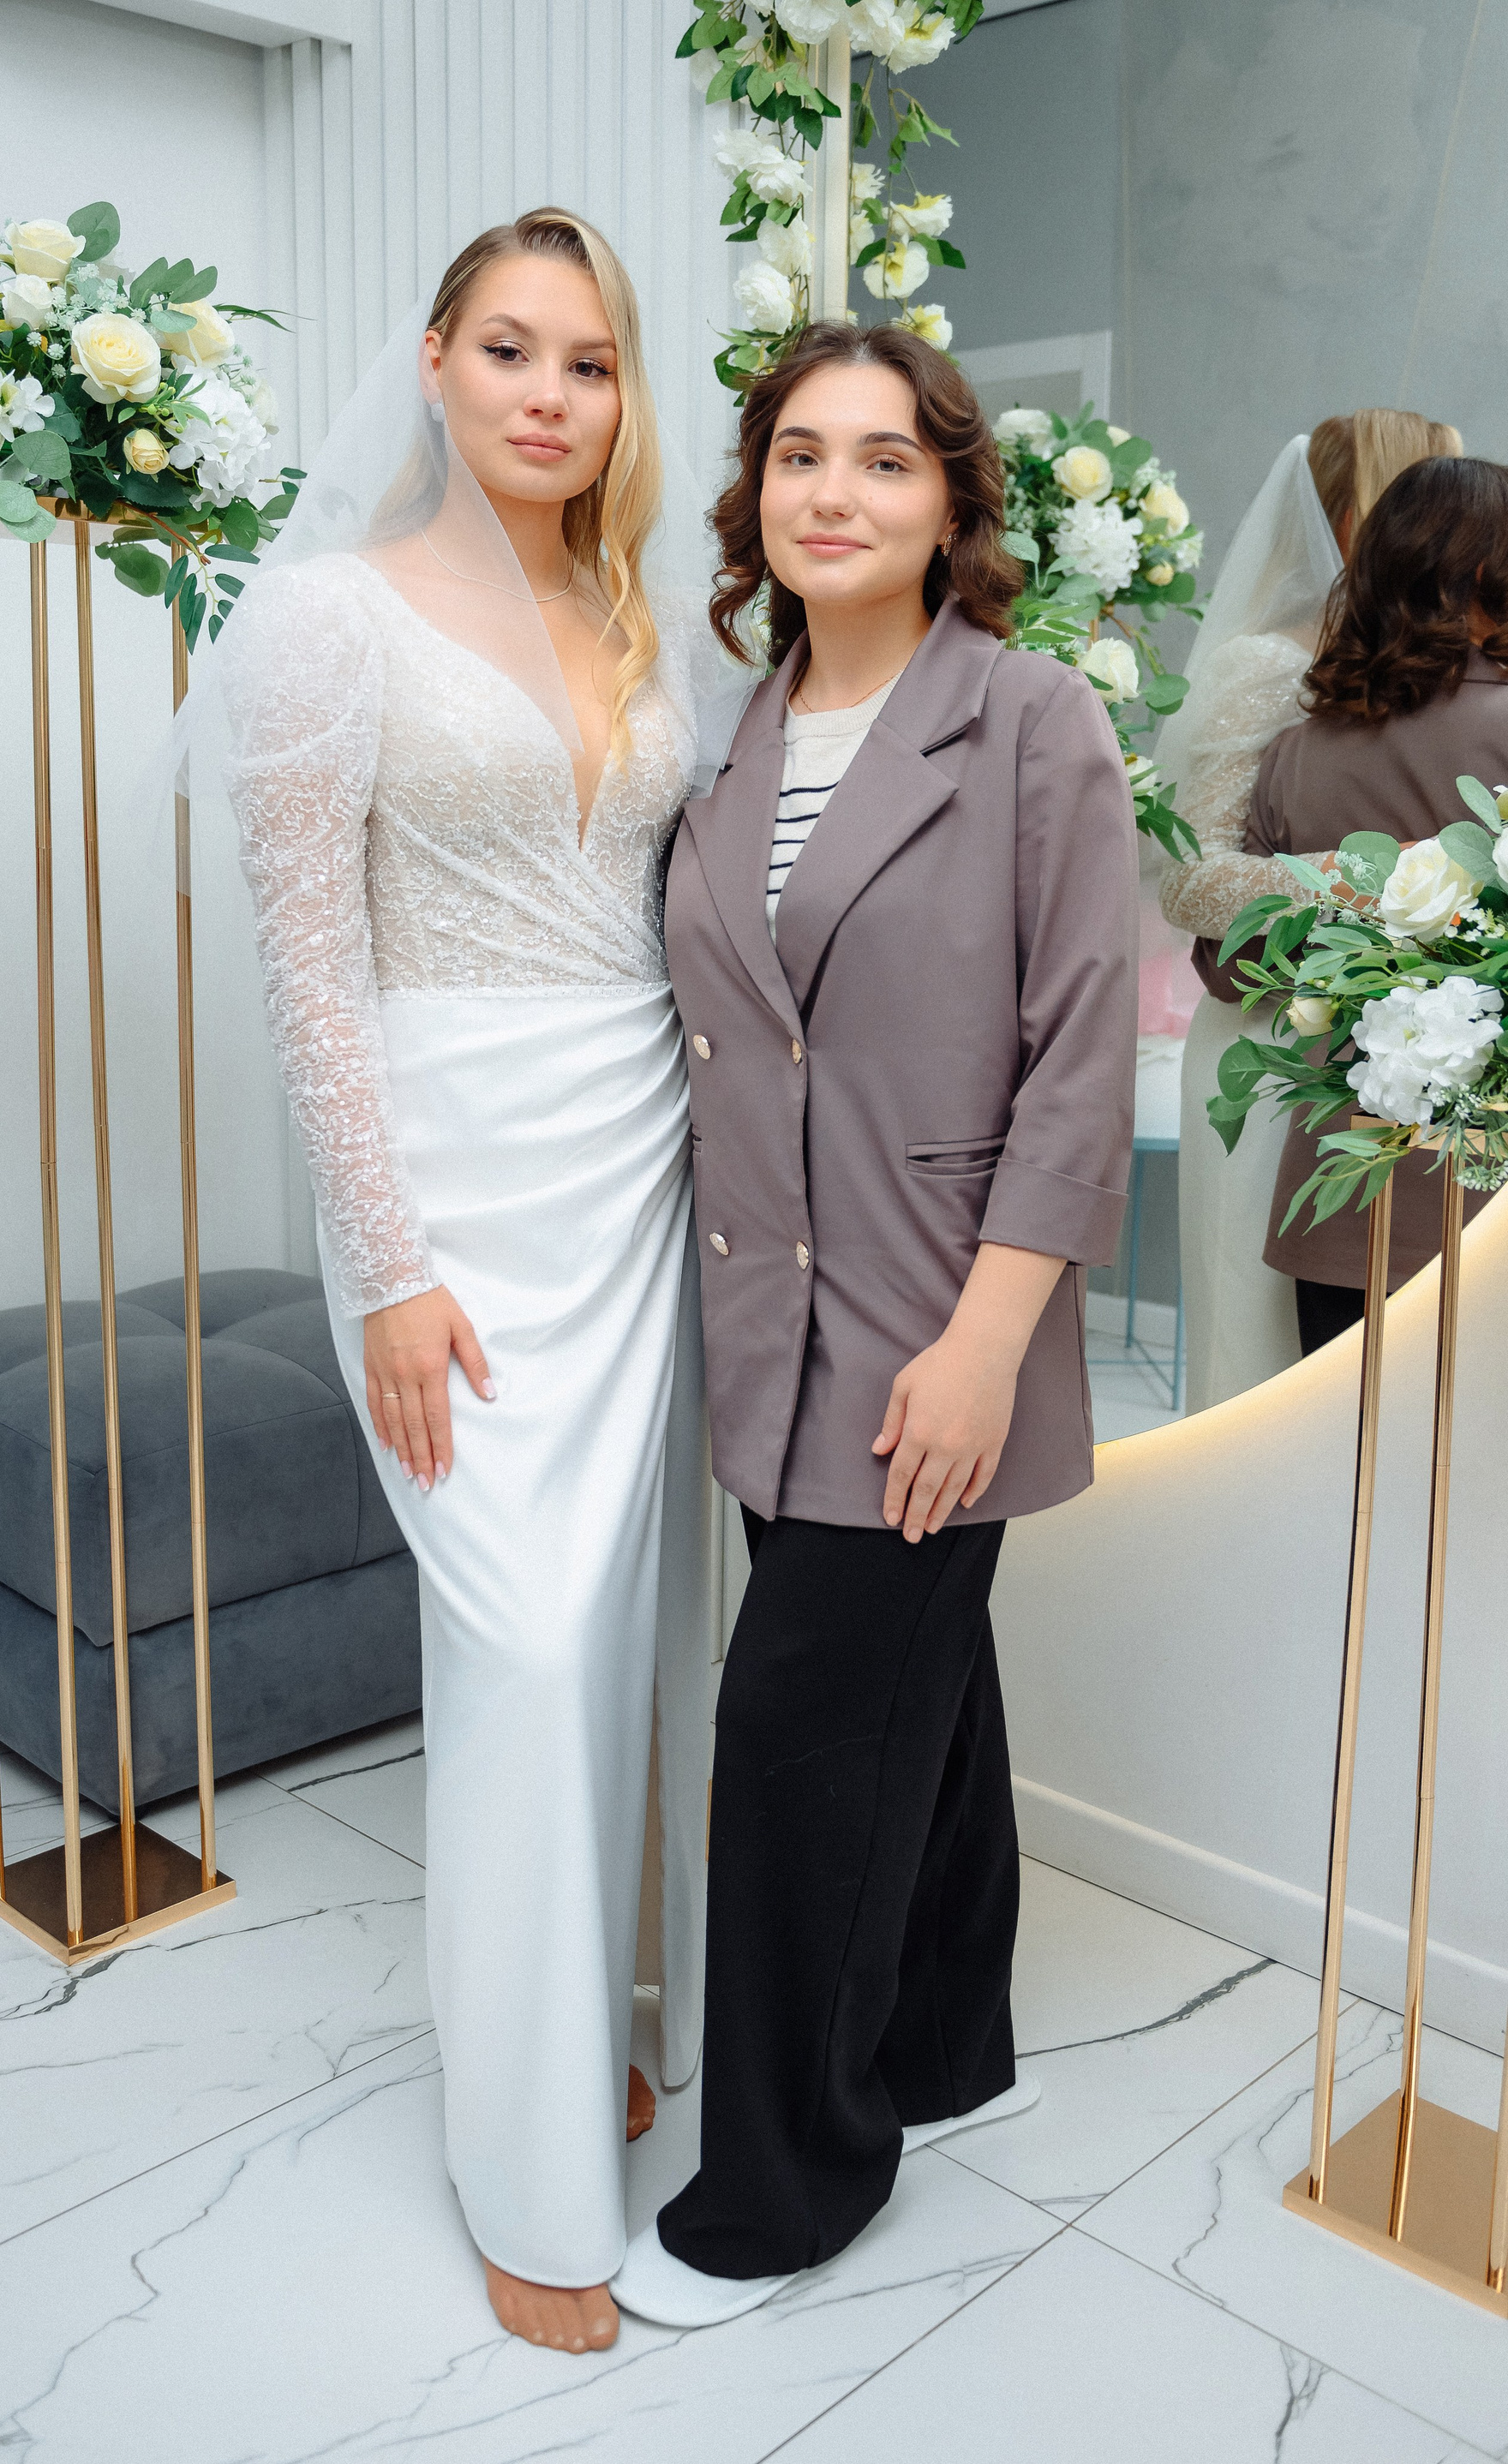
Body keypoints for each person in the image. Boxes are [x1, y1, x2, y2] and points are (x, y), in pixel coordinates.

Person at [218, 209, 717, 2354]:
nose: (549, 393)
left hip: (643, 1159)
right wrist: (388, 1267)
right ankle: (525, 2176)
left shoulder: (636, 609)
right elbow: (307, 968)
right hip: (451, 1177)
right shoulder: (324, 616)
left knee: (619, 1631)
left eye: (589, 361)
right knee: (516, 1645)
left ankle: (593, 2028)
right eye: (509, 348)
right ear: (431, 362)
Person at [610, 323, 1139, 2329]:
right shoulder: (731, 733)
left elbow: (1078, 1054)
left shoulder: (1028, 720)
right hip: (768, 1319)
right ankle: (940, 2045)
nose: (834, 492)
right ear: (753, 491)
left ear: (950, 502)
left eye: (886, 459)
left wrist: (990, 1339)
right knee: (923, 1688)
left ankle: (783, 2184)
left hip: (937, 1320)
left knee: (796, 1738)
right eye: (799, 455)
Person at [1156, 411, 1461, 1411]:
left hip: (1387, 1053)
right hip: (1267, 1044)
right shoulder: (1266, 663)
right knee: (1258, 1341)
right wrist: (1367, 877)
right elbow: (1190, 877)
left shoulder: (1431, 675)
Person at [1243, 453, 1508, 1347]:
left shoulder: (1296, 753)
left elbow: (1235, 968)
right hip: (1490, 1196)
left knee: (1350, 1439)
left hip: (1344, 1193)